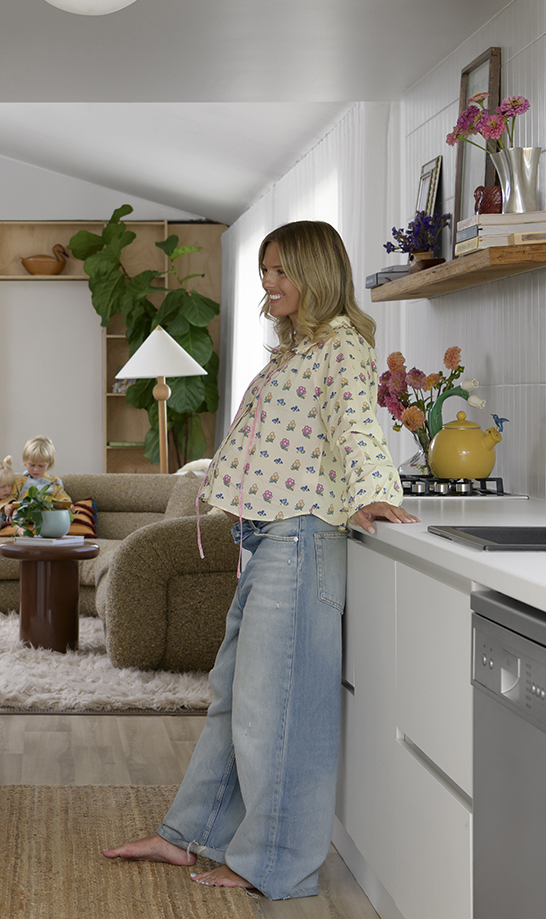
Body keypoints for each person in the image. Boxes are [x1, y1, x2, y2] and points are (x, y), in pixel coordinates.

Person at [103, 220, 416, 899]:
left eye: (280, 271)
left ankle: (273, 862)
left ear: (315, 272)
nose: (268, 284)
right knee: (236, 698)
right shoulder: (294, 352)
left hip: (304, 538)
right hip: (272, 538)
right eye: (265, 272)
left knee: (278, 709)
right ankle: (191, 836)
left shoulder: (341, 351)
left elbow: (357, 427)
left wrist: (373, 495)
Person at [10, 435, 70, 507]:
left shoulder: (55, 482)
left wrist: (67, 505)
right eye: (32, 465)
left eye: (41, 466)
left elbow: (63, 498)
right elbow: (10, 498)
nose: (36, 469)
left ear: (49, 463)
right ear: (25, 461)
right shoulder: (18, 480)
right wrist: (8, 506)